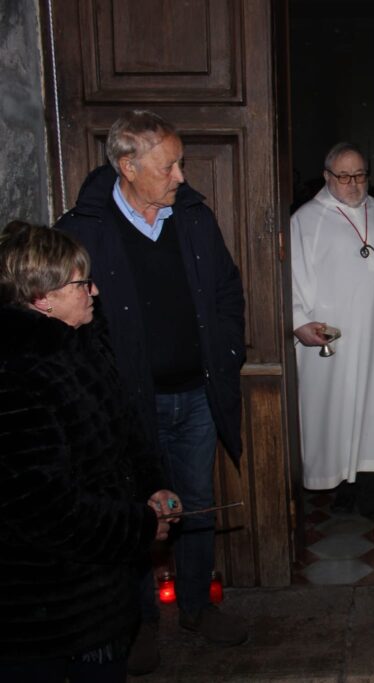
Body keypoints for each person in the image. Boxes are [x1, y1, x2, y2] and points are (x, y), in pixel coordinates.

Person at [57, 110, 248, 673]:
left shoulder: (192, 218)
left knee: (195, 503)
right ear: (128, 165)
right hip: (124, 406)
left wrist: (227, 353)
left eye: (180, 163)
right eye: (169, 166)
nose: (181, 177)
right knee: (133, 511)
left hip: (196, 397)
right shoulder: (83, 230)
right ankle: (137, 621)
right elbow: (68, 325)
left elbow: (227, 292)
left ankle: (196, 605)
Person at [0, 222, 180, 682]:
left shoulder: (83, 342)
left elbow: (123, 428)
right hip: (49, 607)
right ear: (43, 298)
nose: (95, 291)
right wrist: (138, 524)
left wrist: (152, 485)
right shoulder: (17, 373)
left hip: (100, 594)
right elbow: (44, 506)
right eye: (82, 283)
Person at [291, 142, 374, 519]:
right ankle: (342, 486)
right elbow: (290, 277)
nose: (353, 184)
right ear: (327, 177)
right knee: (335, 413)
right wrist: (299, 322)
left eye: (360, 175)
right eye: (344, 176)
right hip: (332, 338)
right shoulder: (306, 220)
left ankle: (373, 494)